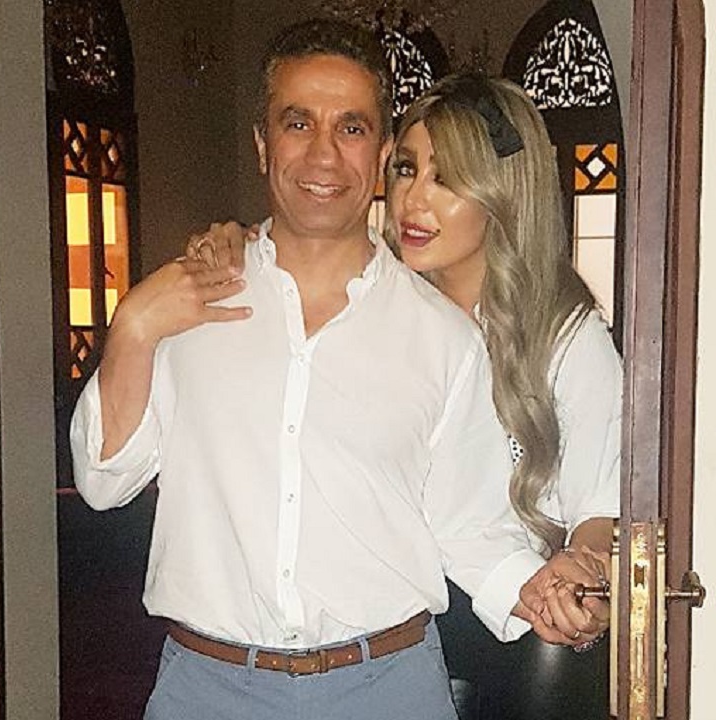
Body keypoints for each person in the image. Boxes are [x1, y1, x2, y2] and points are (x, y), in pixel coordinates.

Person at [71, 19, 598, 720]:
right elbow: (104, 481)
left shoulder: (444, 337)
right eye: (298, 123)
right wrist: (134, 326)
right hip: (209, 688)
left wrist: (540, 594)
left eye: (350, 128)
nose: (323, 154)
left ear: (380, 153)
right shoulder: (187, 303)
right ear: (263, 143)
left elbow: (468, 524)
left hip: (388, 687)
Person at [187, 73, 620, 719]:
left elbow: (600, 503)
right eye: (408, 170)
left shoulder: (565, 335)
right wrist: (238, 245)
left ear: (503, 192)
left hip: (502, 622)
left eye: (448, 179)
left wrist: (580, 574)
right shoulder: (362, 306)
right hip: (363, 627)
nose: (414, 201)